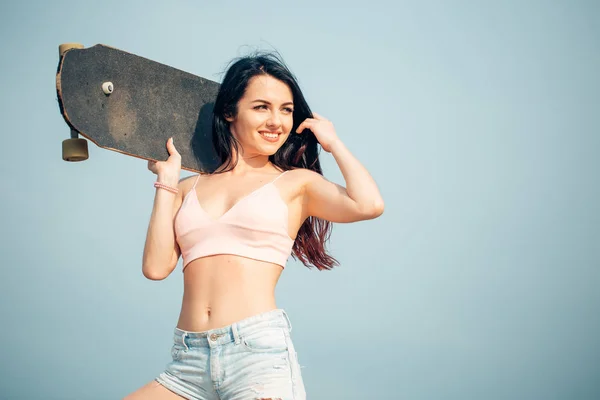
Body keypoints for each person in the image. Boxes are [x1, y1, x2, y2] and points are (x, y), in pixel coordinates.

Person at [124, 52, 384, 400]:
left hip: (256, 355)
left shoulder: (296, 184)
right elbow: (156, 268)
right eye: (262, 107)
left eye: (286, 110)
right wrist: (166, 181)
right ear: (230, 111)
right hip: (188, 360)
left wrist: (333, 143)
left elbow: (369, 205)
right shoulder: (187, 187)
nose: (276, 121)